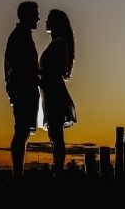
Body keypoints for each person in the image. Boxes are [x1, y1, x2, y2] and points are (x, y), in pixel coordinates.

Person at [4, 1, 41, 180]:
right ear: (26, 16)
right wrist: (15, 90)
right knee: (21, 132)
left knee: (23, 132)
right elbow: (14, 67)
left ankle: (17, 174)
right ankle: (17, 175)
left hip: (25, 90)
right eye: (35, 14)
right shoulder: (19, 36)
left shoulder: (23, 35)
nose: (38, 18)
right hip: (23, 91)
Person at [40, 9, 76, 176]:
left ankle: (59, 172)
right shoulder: (56, 42)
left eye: (49, 19)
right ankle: (58, 170)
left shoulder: (59, 43)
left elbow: (57, 70)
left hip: (54, 92)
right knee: (55, 135)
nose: (45, 21)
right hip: (49, 91)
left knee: (56, 136)